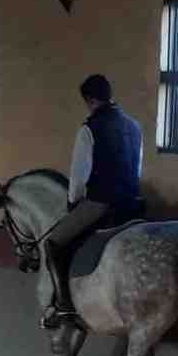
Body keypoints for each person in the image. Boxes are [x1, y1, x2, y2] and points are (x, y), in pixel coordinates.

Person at [40, 74, 146, 329]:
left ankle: (64, 306)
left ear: (89, 100)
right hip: (132, 204)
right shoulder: (134, 126)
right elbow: (138, 169)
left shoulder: (89, 129)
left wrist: (73, 202)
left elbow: (79, 175)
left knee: (53, 243)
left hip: (102, 203)